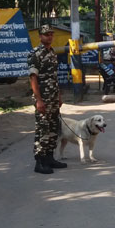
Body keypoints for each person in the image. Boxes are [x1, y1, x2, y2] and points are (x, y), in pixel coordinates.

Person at [28, 24, 67, 174]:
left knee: (53, 127)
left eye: (51, 34)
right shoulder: (35, 54)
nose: (49, 37)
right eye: (46, 34)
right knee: (42, 129)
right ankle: (40, 161)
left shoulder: (52, 53)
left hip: (53, 97)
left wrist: (59, 96)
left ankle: (50, 158)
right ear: (40, 36)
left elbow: (54, 77)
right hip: (43, 97)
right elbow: (33, 78)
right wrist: (38, 100)